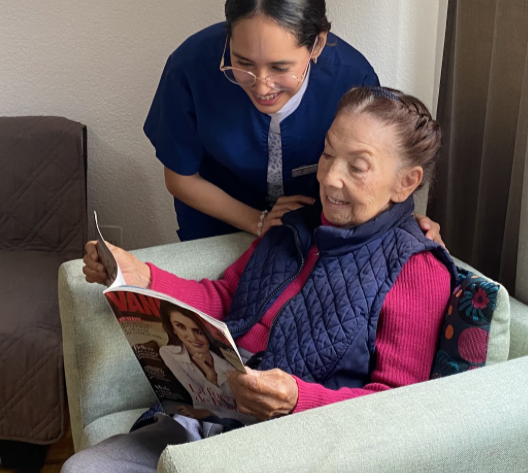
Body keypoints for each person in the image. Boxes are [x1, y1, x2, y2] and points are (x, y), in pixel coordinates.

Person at [66, 86, 457, 472]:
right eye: (327, 153)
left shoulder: (416, 268)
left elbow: (398, 405)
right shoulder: (293, 223)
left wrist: (296, 399)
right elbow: (226, 297)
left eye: (357, 167)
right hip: (208, 413)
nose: (330, 178)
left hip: (295, 443)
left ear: (406, 182)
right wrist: (143, 276)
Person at [143, 0, 443, 244]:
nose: (261, 86)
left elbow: (377, 172)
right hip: (216, 226)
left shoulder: (353, 79)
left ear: (317, 45)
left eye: (279, 68)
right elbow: (181, 177)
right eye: (243, 63)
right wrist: (257, 221)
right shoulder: (189, 68)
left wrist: (404, 222)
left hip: (316, 226)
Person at [156, 302, 243, 421]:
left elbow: (244, 416)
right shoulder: (168, 353)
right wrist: (211, 379)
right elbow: (197, 402)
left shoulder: (229, 367)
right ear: (173, 329)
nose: (191, 338)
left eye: (198, 331)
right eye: (180, 326)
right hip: (188, 417)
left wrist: (211, 376)